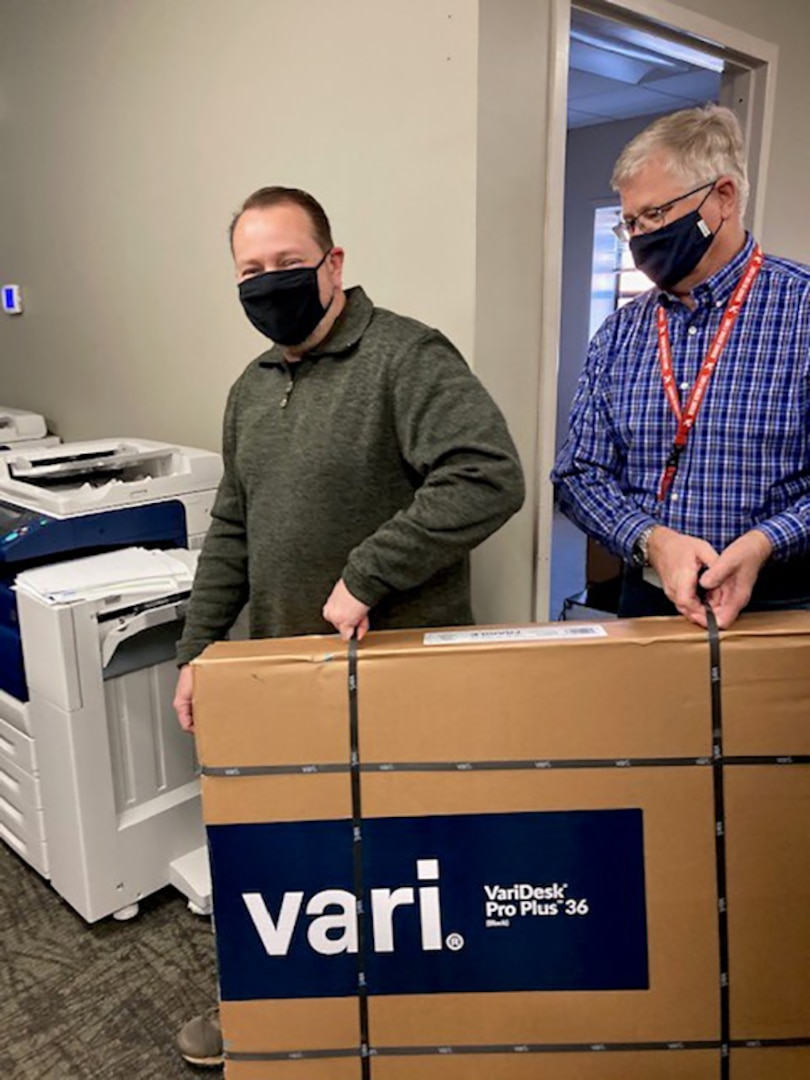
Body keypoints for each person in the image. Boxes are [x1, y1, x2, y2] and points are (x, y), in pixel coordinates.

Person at [172, 185, 525, 1066]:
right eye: (249, 272)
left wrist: (367, 573)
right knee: (293, 860)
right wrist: (196, 654)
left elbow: (488, 475)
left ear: (334, 263)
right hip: (285, 678)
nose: (268, 285)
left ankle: (423, 1028)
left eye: (287, 265)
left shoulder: (406, 356)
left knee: (409, 867)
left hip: (397, 676)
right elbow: (233, 530)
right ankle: (268, 1009)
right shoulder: (249, 388)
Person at [552, 104, 810, 628]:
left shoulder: (801, 312)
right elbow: (578, 475)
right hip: (649, 601)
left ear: (723, 197)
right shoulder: (621, 334)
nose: (642, 235)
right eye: (630, 223)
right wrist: (652, 540)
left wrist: (765, 542)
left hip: (783, 605)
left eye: (656, 215)